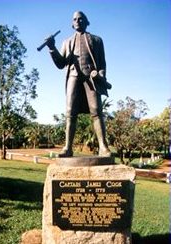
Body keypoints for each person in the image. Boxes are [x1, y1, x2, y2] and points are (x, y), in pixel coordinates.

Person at [46, 11, 111, 157]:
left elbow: (102, 64)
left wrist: (99, 75)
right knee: (70, 112)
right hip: (73, 77)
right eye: (75, 19)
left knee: (96, 110)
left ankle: (103, 147)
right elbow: (61, 63)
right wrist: (51, 48)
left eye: (81, 19)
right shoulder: (66, 42)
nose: (78, 21)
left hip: (91, 79)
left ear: (87, 22)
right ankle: (68, 148)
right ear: (72, 23)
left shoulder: (97, 40)